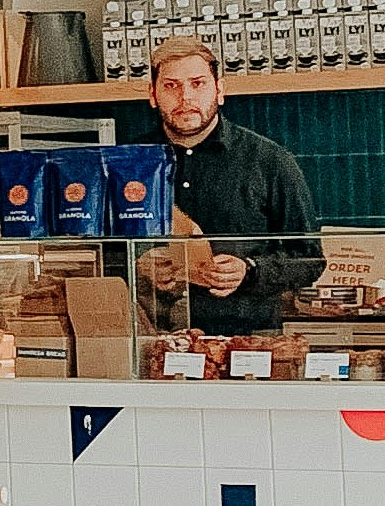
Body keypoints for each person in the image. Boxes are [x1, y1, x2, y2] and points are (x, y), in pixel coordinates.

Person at [133, 36, 321, 311]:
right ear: (153, 94)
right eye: (171, 86)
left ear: (219, 90)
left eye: (198, 84)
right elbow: (100, 251)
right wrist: (138, 263)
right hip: (152, 338)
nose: (186, 98)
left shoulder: (270, 160)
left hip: (246, 342)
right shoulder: (129, 163)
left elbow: (310, 259)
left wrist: (250, 270)